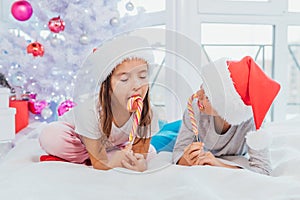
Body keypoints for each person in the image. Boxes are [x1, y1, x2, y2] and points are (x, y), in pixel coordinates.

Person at [39, 35, 158, 172]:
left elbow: (139, 154)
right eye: (124, 79)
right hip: (79, 141)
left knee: (151, 153)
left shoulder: (149, 113)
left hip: (113, 146)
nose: (137, 85)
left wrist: (138, 163)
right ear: (107, 87)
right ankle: (85, 157)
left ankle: (104, 156)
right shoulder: (91, 111)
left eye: (142, 76)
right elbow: (100, 164)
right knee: (51, 136)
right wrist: (109, 162)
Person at [173, 56, 280, 175]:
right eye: (202, 86)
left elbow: (264, 169)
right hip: (187, 127)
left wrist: (219, 164)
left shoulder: (252, 123)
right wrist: (185, 160)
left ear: (226, 109)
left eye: (207, 96)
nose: (198, 94)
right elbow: (178, 154)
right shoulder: (195, 108)